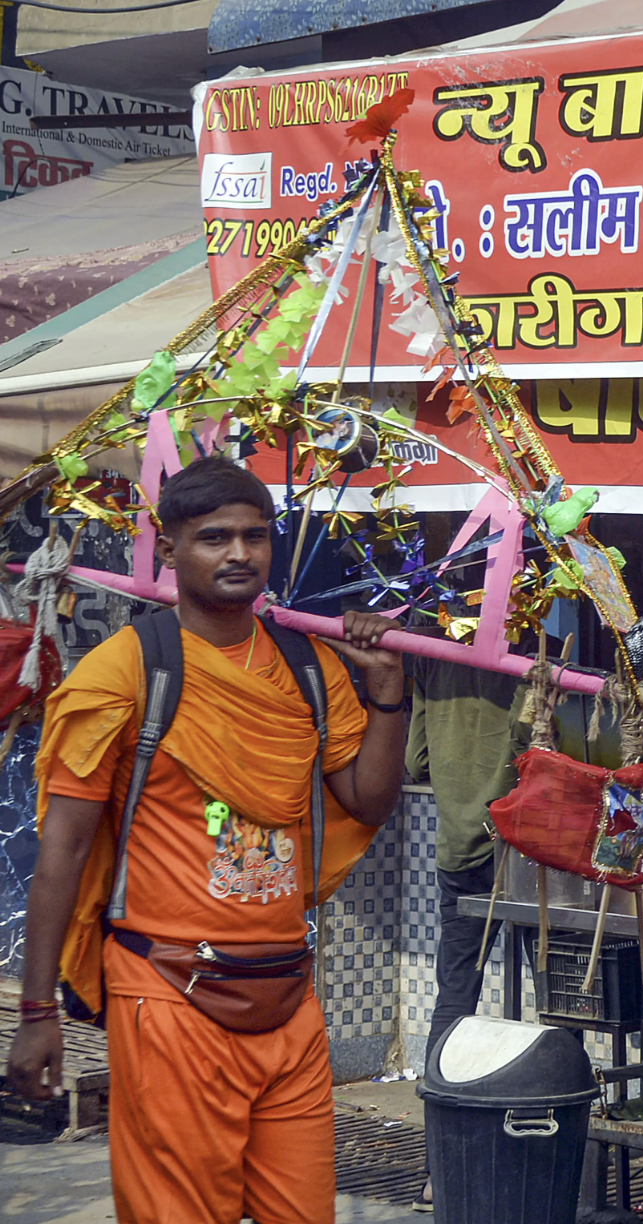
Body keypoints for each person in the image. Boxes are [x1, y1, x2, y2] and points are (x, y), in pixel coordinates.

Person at [6, 456, 406, 1224]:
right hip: (166, 993)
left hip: (288, 994)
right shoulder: (123, 671)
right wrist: (35, 1013)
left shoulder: (309, 667)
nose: (238, 554)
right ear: (169, 550)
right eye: (214, 537)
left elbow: (367, 798)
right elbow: (60, 853)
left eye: (254, 537)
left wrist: (388, 693)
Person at [406, 655, 532, 1049]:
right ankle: (557, 1092)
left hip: (458, 846)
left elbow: (416, 760)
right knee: (554, 985)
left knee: (456, 989)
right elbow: (529, 742)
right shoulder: (536, 659)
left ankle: (440, 1090)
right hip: (523, 847)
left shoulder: (432, 659)